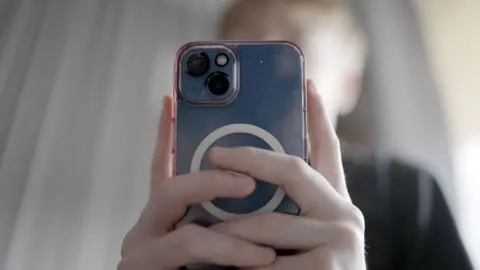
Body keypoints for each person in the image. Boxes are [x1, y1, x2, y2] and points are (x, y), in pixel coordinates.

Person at [118, 0, 473, 269]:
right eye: (244, 48)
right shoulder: (188, 189)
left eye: (292, 51)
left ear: (351, 85)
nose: (269, 77)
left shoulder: (405, 188)